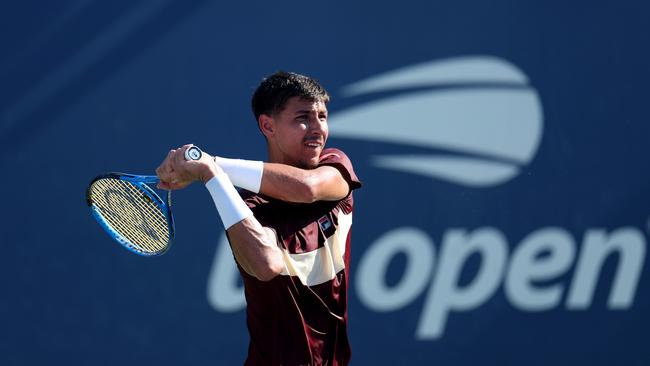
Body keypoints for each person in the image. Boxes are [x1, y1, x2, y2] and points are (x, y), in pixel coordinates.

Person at [155, 71, 362, 366]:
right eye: (303, 117)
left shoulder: (334, 166)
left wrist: (210, 164)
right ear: (268, 125)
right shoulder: (245, 209)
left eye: (323, 116)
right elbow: (267, 265)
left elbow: (306, 188)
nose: (318, 128)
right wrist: (211, 176)